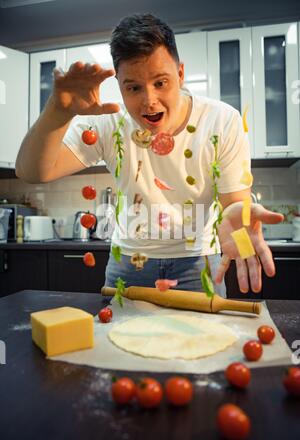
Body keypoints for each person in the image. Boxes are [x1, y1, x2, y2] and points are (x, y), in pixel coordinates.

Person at [15, 13, 283, 296]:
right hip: (128, 263)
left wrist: (240, 227)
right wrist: (58, 111)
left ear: (180, 74)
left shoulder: (222, 120)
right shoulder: (109, 122)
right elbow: (33, 171)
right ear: (118, 85)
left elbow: (234, 207)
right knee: (118, 339)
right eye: (133, 87)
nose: (149, 101)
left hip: (198, 262)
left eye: (160, 82)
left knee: (205, 340)